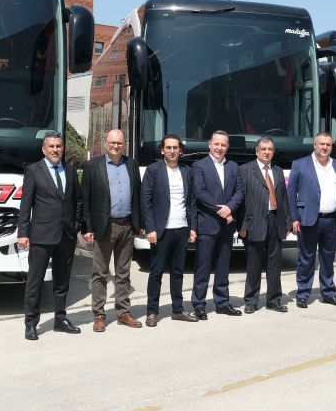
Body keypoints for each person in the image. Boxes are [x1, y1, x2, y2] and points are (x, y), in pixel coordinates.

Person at [16, 131, 82, 340]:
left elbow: (77, 200)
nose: (55, 150)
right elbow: (26, 205)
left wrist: (76, 224)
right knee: (35, 281)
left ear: (63, 148)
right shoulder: (33, 170)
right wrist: (22, 233)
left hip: (66, 235)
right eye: (51, 146)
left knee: (62, 281)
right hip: (41, 236)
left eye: (58, 146)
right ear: (44, 150)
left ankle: (60, 318)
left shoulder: (70, 170)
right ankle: (31, 323)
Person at [82, 128, 143, 331]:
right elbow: (86, 199)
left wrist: (139, 223)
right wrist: (87, 227)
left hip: (127, 226)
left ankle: (123, 312)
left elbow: (138, 195)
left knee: (123, 273)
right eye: (112, 142)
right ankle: (99, 315)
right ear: (106, 143)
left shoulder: (132, 164)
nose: (116, 146)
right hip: (104, 227)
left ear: (124, 144)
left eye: (119, 143)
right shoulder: (92, 166)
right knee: (100, 273)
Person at [139, 134, 198, 326]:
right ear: (162, 150)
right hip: (161, 231)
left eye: (175, 148)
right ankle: (152, 312)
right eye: (168, 148)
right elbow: (145, 201)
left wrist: (193, 227)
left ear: (180, 150)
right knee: (156, 272)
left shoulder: (187, 171)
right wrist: (150, 228)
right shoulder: (153, 170)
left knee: (178, 272)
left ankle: (177, 310)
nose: (172, 151)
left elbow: (191, 202)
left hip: (181, 229)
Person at [289, 131, 336, 307]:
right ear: (314, 145)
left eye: (328, 145)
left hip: (331, 220)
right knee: (306, 258)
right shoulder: (300, 164)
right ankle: (302, 293)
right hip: (308, 219)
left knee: (328, 259)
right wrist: (293, 218)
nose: (324, 147)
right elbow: (291, 194)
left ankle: (328, 292)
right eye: (321, 144)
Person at [191, 130, 245, 319]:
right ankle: (198, 304)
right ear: (209, 145)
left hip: (227, 226)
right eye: (216, 144)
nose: (219, 148)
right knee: (203, 267)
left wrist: (230, 207)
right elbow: (200, 193)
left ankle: (222, 303)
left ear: (227, 147)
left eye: (223, 145)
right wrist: (221, 210)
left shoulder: (234, 167)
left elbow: (239, 192)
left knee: (223, 266)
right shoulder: (199, 166)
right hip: (208, 224)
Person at [238, 137, 292, 313]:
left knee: (274, 263)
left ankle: (274, 300)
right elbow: (241, 201)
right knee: (253, 264)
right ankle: (251, 301)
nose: (267, 152)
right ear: (257, 151)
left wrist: (288, 221)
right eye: (263, 149)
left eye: (270, 149)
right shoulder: (245, 170)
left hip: (275, 220)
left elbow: (283, 199)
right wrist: (242, 225)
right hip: (254, 222)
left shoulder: (278, 171)